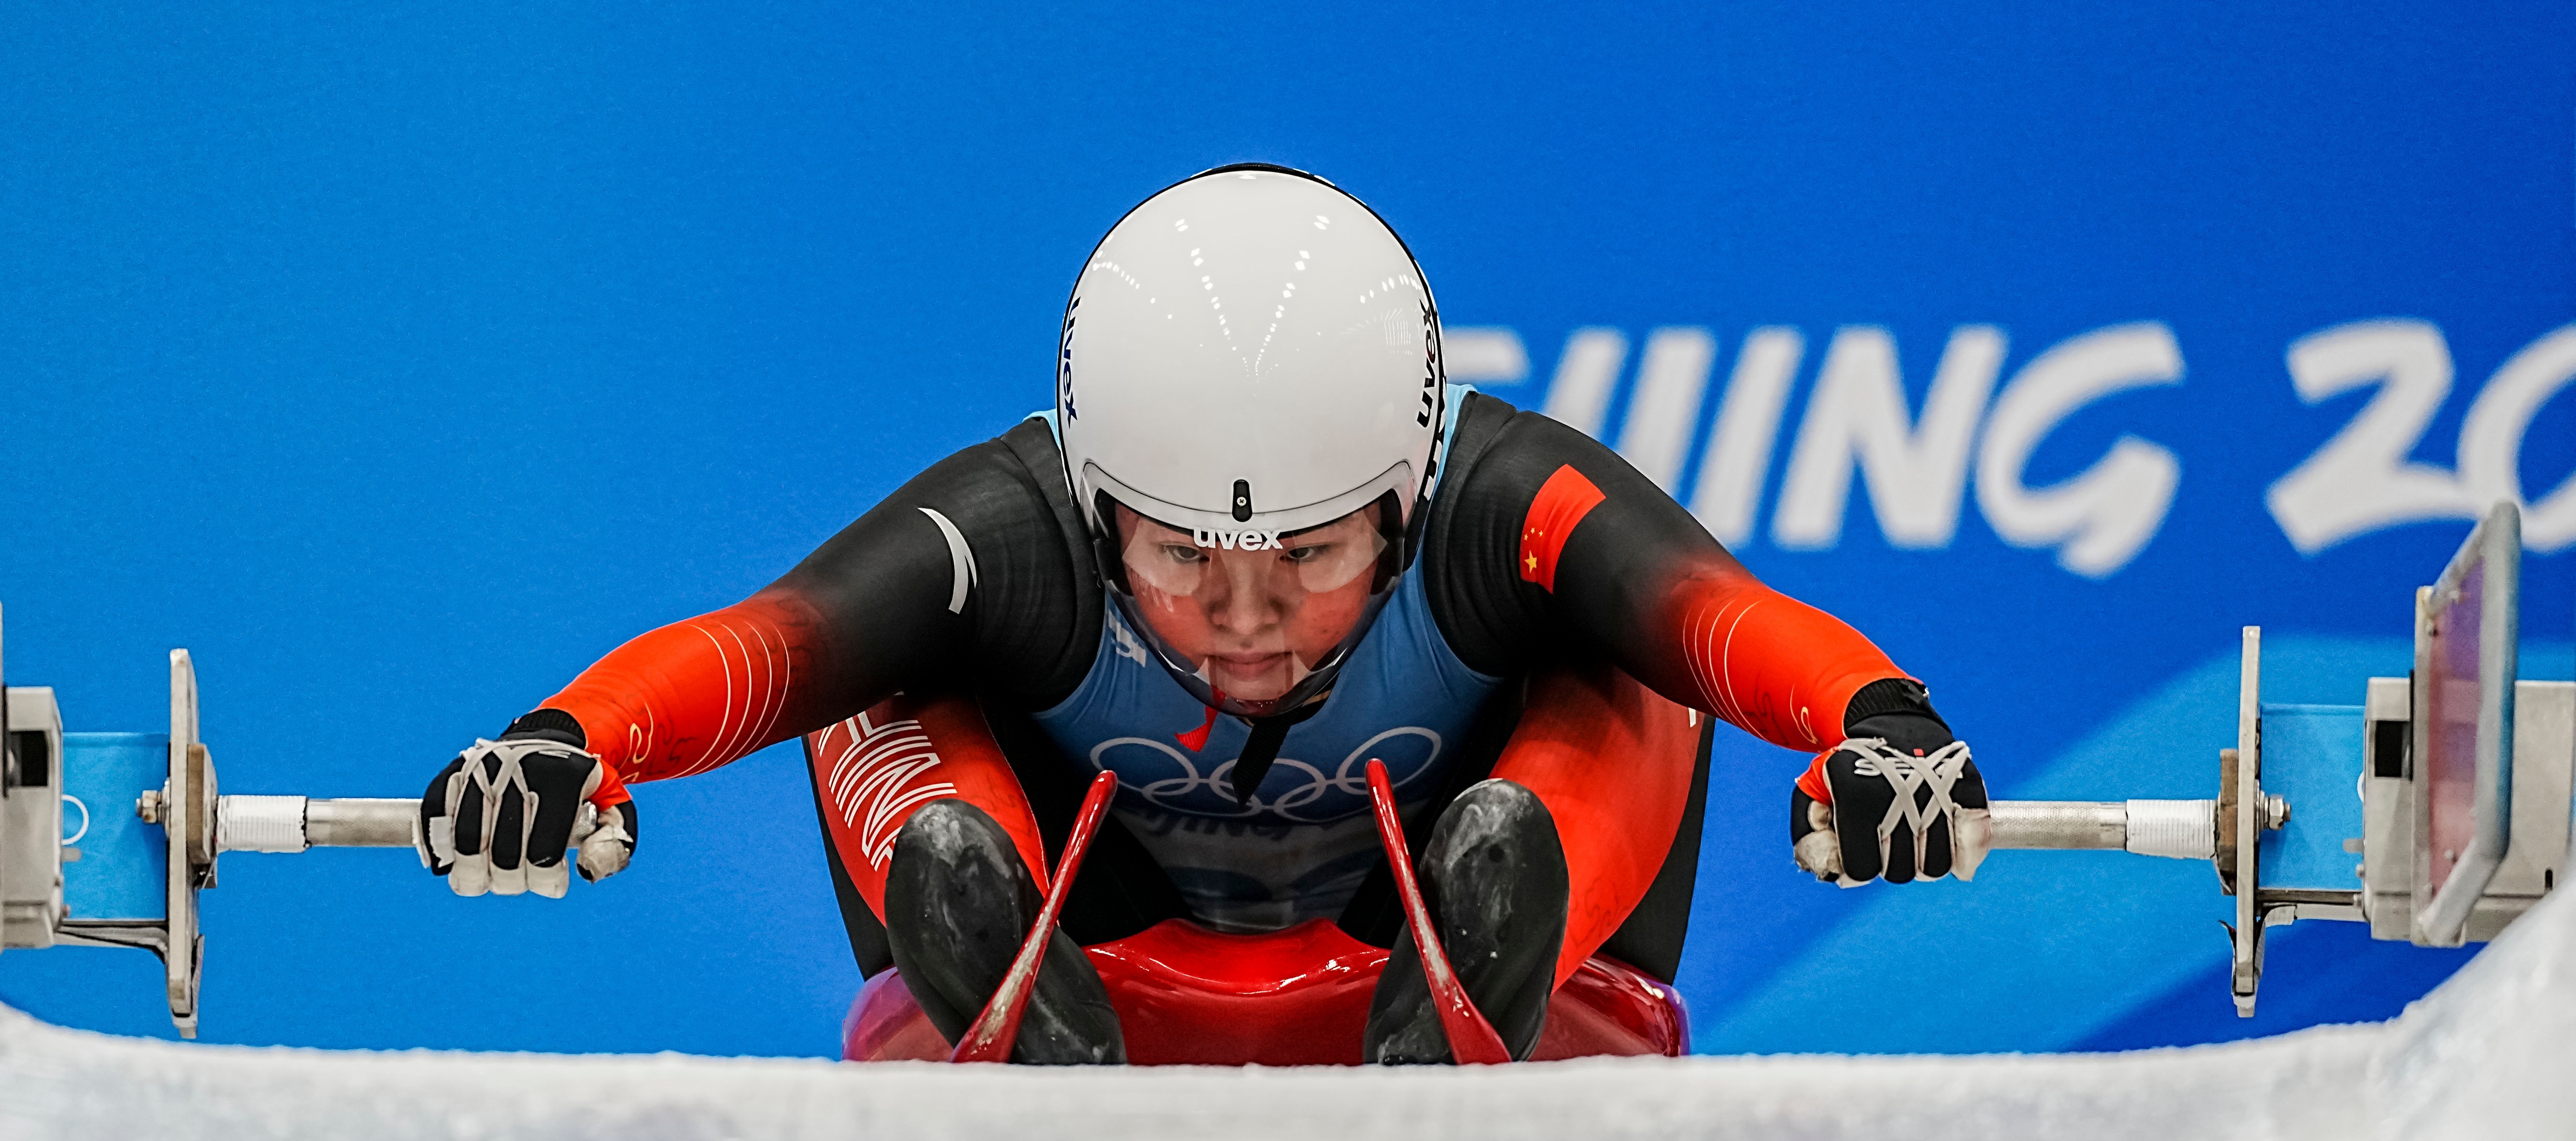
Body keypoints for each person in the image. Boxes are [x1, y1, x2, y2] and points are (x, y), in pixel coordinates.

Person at [418, 164, 1992, 1065]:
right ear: (1099, 503)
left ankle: (1476, 969)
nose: (1246, 619)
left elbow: (1723, 617)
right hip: (1094, 973)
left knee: (1627, 656)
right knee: (877, 678)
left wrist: (1885, 733)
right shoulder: (1010, 527)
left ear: (1407, 492)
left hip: (1481, 981)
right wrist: (567, 745)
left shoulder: (1508, 499)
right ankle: (1004, 983)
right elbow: (770, 646)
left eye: (1310, 554)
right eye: (1177, 556)